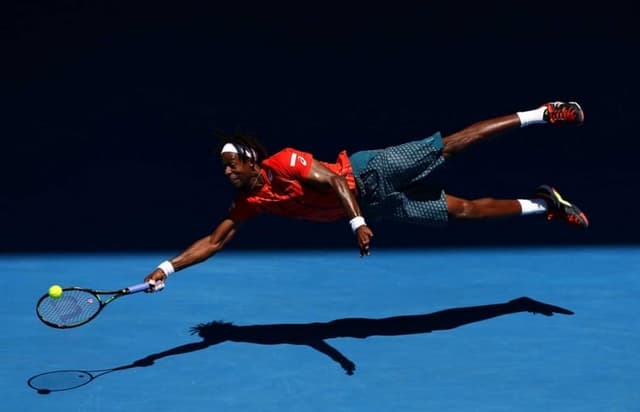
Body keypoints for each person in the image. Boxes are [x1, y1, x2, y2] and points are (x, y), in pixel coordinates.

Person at [144, 101, 588, 289]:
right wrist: (167, 268)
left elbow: (336, 183)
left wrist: (356, 224)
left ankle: (544, 113)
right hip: (375, 205)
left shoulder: (282, 161)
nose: (226, 173)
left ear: (249, 161)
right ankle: (545, 203)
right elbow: (215, 240)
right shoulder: (250, 202)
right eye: (224, 167)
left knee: (451, 146)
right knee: (464, 211)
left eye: (230, 165)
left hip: (368, 172)